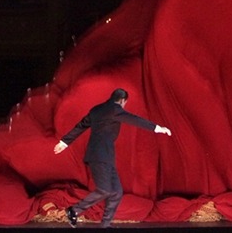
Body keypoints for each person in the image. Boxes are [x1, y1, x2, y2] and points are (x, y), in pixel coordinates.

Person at [53, 88, 172, 228]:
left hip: (105, 156)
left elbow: (81, 125)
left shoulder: (96, 109)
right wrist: (158, 128)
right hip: (99, 156)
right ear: (122, 101)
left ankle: (105, 225)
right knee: (105, 190)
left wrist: (64, 142)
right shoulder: (115, 109)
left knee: (116, 192)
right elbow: (135, 120)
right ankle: (74, 210)